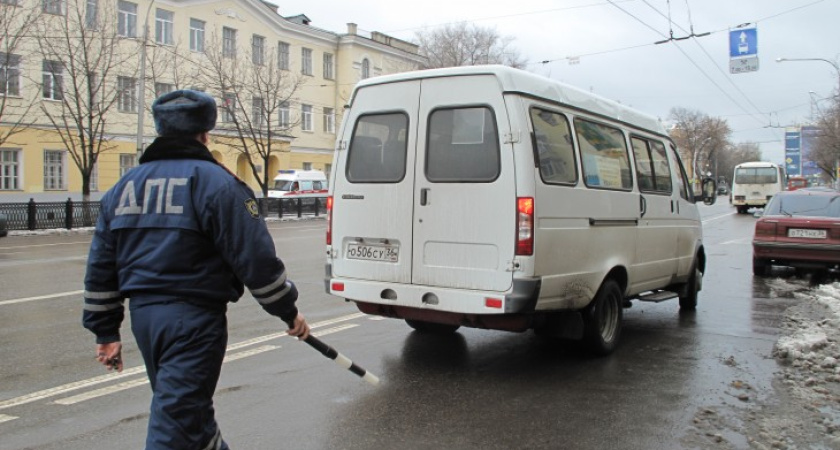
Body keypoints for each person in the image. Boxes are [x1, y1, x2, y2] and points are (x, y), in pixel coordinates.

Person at [83, 89, 309, 450]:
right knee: (176, 425)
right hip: (194, 322)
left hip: (146, 322)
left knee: (187, 415)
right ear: (205, 134)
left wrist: (105, 331)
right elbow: (257, 261)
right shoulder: (219, 185)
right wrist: (288, 312)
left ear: (160, 130)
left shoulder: (122, 189)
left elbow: (100, 266)